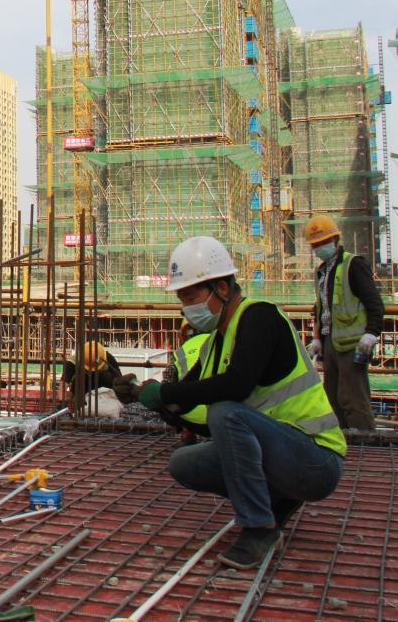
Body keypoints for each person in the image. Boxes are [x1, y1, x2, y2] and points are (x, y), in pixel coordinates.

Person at [134, 236, 345, 569]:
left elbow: (236, 386)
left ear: (221, 288)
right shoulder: (216, 342)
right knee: (184, 463)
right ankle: (278, 500)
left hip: (316, 459)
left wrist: (167, 394)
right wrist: (145, 396)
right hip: (279, 453)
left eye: (191, 296)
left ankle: (259, 527)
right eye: (181, 298)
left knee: (225, 409)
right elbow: (196, 415)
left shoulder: (259, 317)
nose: (187, 308)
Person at [305, 215, 383, 431]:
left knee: (353, 400)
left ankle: (366, 448)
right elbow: (321, 308)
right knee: (333, 399)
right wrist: (318, 338)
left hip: (353, 345)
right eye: (315, 244)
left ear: (335, 239)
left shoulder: (353, 265)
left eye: (322, 242)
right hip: (331, 344)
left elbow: (374, 302)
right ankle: (342, 445)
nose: (319, 247)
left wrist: (371, 332)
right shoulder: (321, 271)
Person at [60, 341, 121, 406]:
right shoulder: (74, 361)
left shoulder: (108, 358)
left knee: (107, 377)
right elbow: (64, 383)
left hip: (103, 390)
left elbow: (119, 380)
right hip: (84, 387)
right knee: (78, 378)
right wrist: (63, 398)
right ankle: (80, 403)